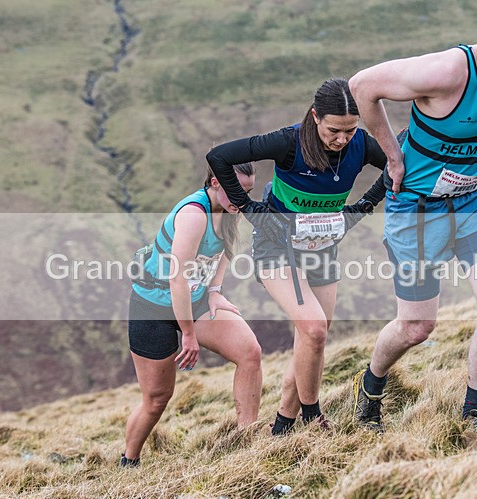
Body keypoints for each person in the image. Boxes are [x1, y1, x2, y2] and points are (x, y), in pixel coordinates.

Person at [348, 0, 477, 439]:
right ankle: (370, 384)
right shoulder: (446, 72)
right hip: (417, 210)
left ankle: (474, 415)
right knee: (416, 327)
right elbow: (362, 85)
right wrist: (392, 156)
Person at [206, 78, 387, 435]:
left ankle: (283, 427)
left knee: (312, 340)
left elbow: (399, 168)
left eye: (350, 130)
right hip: (278, 244)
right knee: (314, 327)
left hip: (322, 245)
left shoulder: (361, 144)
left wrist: (362, 207)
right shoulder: (289, 142)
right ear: (315, 116)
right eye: (334, 130)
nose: (342, 139)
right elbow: (220, 157)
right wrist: (250, 209)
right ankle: (312, 416)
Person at [121, 163, 262, 467]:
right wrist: (188, 333)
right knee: (157, 399)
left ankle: (248, 445)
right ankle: (128, 461)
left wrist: (215, 291)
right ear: (214, 182)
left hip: (195, 299)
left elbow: (225, 250)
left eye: (248, 191)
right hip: (153, 306)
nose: (242, 199)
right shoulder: (193, 215)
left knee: (250, 353)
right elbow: (177, 278)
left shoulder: (229, 209)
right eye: (237, 190)